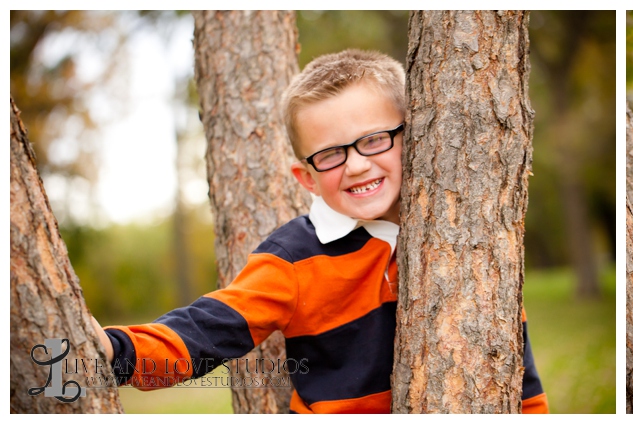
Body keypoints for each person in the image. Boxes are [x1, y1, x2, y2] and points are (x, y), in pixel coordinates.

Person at [91, 49, 548, 413]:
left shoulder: (468, 234)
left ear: (416, 136)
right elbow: (212, 327)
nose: (356, 164)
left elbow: (510, 359)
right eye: (330, 154)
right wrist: (117, 350)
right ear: (306, 177)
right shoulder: (294, 257)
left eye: (373, 139)